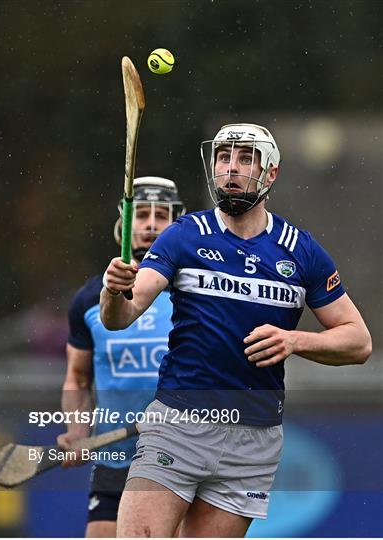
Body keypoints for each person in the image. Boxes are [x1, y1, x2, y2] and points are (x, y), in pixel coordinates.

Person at [100, 123, 372, 538]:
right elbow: (121, 315)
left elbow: (358, 340)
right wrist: (112, 290)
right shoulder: (184, 236)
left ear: (271, 173)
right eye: (224, 158)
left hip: (254, 440)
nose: (231, 168)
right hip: (178, 426)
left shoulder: (301, 251)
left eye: (245, 158)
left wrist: (296, 340)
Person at [57, 177, 186, 538]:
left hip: (180, 457)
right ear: (123, 223)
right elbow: (78, 378)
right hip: (115, 456)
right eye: (141, 214)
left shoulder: (196, 295)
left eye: (161, 215)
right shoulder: (89, 299)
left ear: (177, 223)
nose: (149, 224)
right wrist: (78, 430)